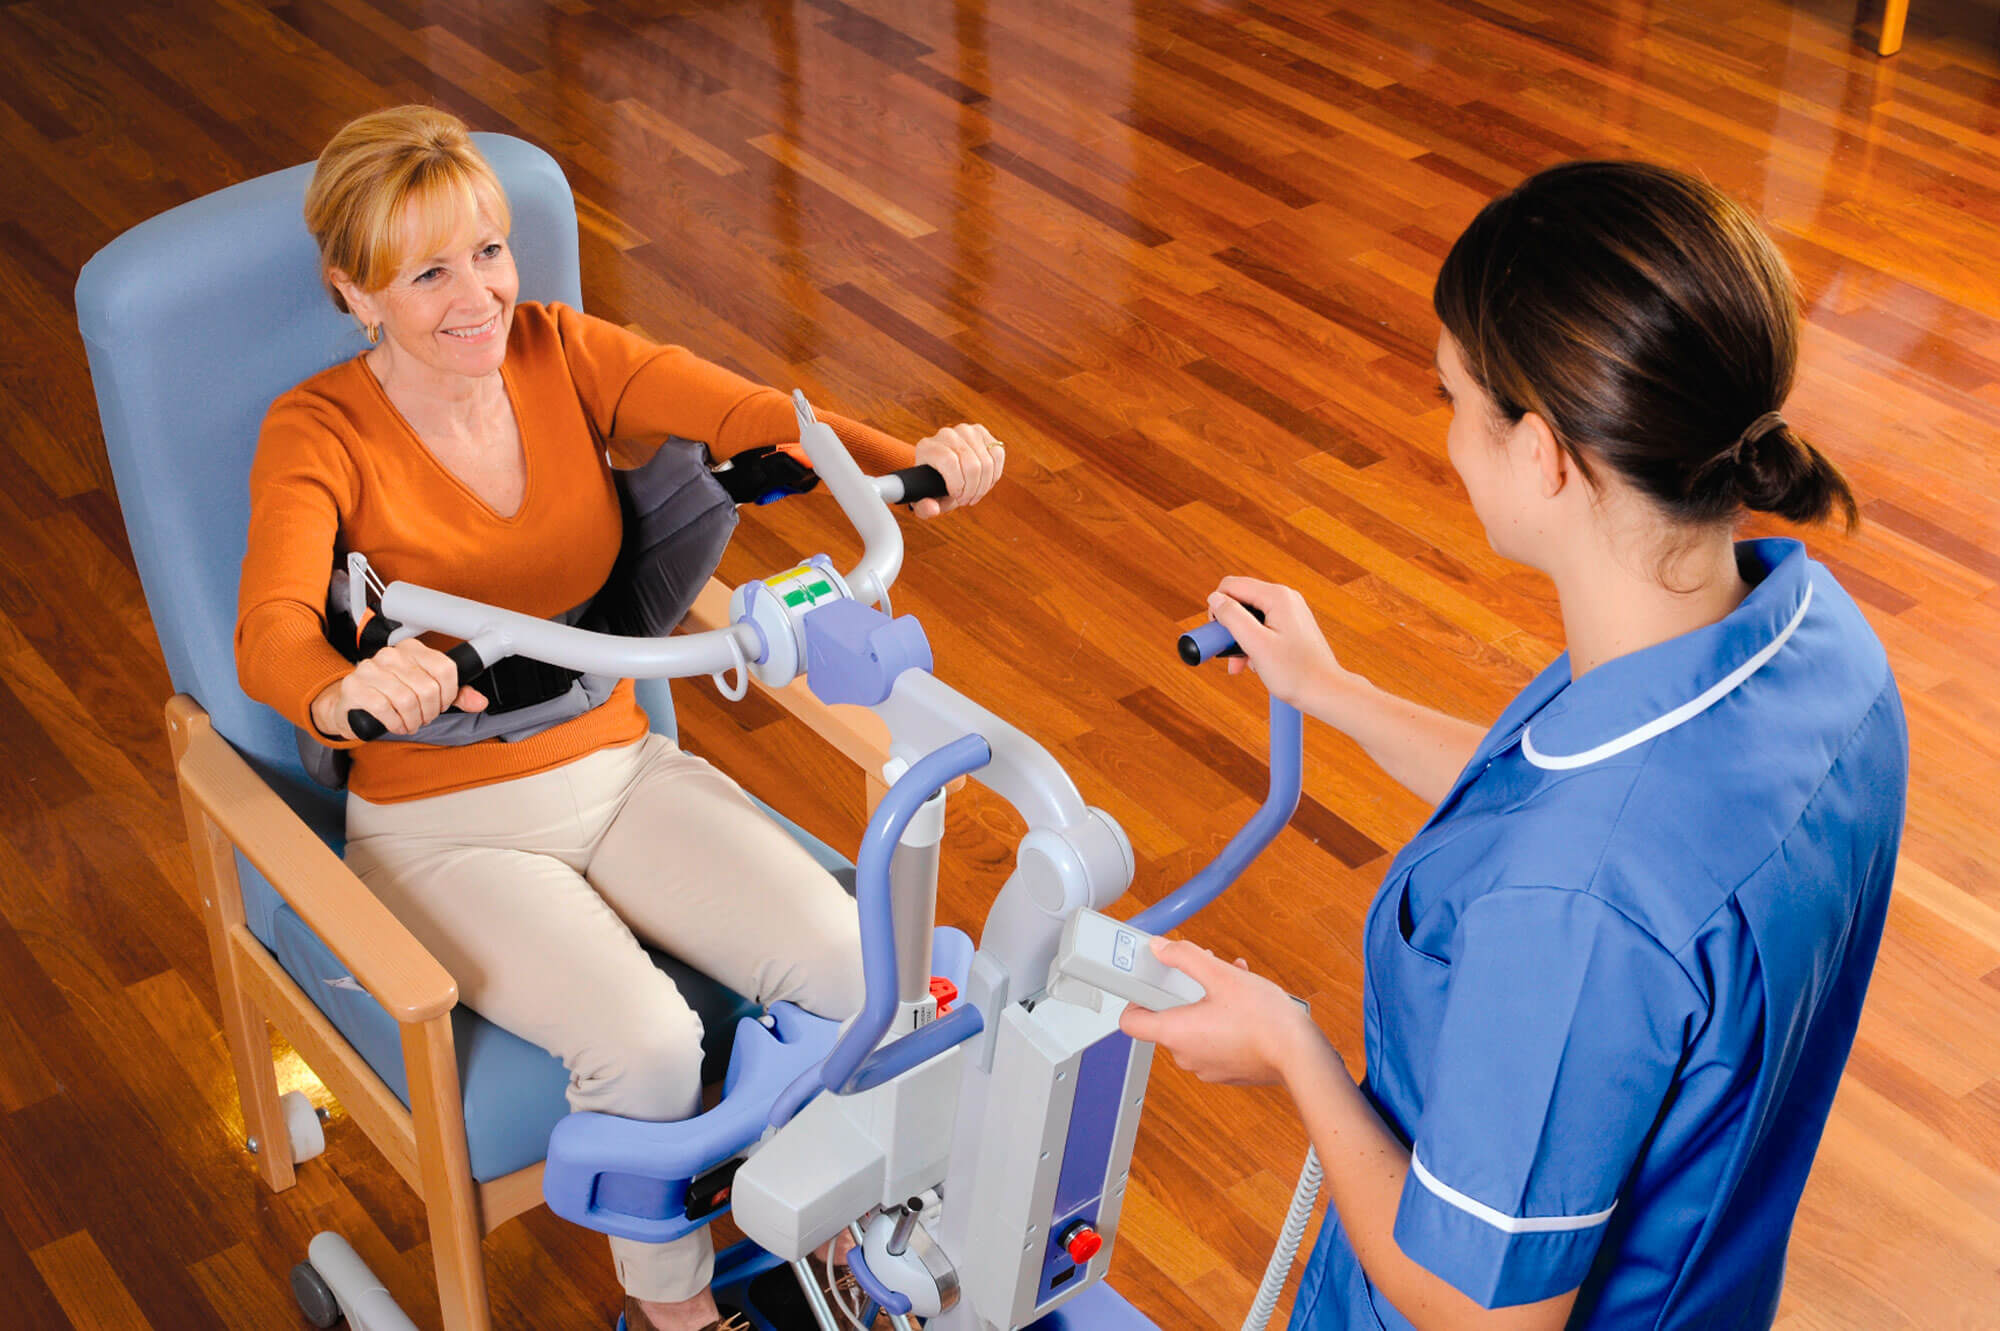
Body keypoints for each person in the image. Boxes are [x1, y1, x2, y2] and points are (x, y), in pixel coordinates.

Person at [235, 106, 1005, 1331]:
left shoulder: (558, 349)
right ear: (355, 292)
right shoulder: (317, 428)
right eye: (428, 274)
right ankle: (672, 1311)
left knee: (865, 968)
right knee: (646, 1048)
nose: (478, 296)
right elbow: (271, 627)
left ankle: (843, 1244)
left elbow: (756, 418)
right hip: (443, 830)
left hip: (618, 770)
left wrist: (905, 463)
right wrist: (346, 688)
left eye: (489, 251)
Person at [1121, 161, 1908, 1330]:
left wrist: (1290, 1048)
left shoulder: (1577, 905)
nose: (1446, 437)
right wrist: (1331, 692)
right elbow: (1580, 815)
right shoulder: (1820, 649)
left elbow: (1479, 1312)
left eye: (1449, 397)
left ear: (1540, 450)